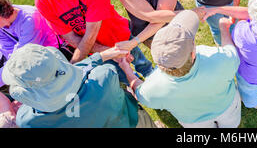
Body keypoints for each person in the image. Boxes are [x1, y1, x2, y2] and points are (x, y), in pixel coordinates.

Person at [33, 0, 153, 82]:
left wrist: (73, 66)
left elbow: (91, 33)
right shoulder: (43, 2)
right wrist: (106, 53)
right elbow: (70, 37)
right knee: (124, 78)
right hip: (94, 51)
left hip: (120, 37)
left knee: (145, 67)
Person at [118, 10, 241, 128]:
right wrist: (224, 29)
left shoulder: (153, 86)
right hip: (227, 109)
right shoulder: (217, 59)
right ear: (192, 54)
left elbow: (139, 92)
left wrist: (126, 68)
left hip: (193, 122)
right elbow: (231, 52)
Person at [1, 44, 157, 128]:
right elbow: (77, 71)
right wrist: (106, 56)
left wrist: (104, 54)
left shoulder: (28, 120)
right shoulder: (104, 76)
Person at [0, 0, 61, 88]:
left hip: (49, 56)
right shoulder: (3, 24)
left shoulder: (30, 20)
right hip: (26, 57)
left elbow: (22, 57)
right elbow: (8, 50)